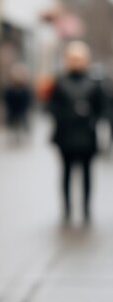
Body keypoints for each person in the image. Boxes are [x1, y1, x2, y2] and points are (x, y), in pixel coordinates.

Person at [48, 41, 105, 224]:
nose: (76, 62)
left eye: (79, 58)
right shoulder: (60, 82)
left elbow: (103, 108)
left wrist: (90, 116)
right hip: (66, 135)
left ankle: (86, 208)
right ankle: (67, 208)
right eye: (73, 58)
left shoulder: (94, 84)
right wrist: (67, 114)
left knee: (87, 173)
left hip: (87, 136)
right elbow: (51, 107)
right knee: (66, 172)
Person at [2, 63, 33, 145]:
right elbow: (6, 98)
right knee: (13, 125)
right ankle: (14, 138)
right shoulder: (9, 88)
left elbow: (29, 99)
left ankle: (23, 137)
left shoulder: (25, 88)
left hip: (22, 110)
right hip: (13, 111)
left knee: (23, 124)